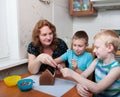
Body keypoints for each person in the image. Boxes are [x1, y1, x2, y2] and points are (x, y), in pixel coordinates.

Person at [60, 30, 120, 97]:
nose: (94, 51)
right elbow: (83, 75)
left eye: (97, 47)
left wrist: (72, 74)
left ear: (109, 48)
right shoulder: (96, 61)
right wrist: (79, 85)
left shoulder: (116, 69)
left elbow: (97, 88)